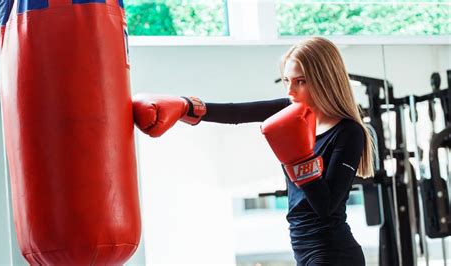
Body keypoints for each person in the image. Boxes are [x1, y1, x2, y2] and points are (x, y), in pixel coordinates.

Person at [132, 36, 374, 266]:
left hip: (333, 252)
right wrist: (185, 106)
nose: (291, 91)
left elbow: (326, 206)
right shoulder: (291, 111)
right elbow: (236, 113)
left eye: (300, 81)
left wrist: (299, 158)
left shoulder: (348, 132)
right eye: (287, 81)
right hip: (303, 247)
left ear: (325, 79)